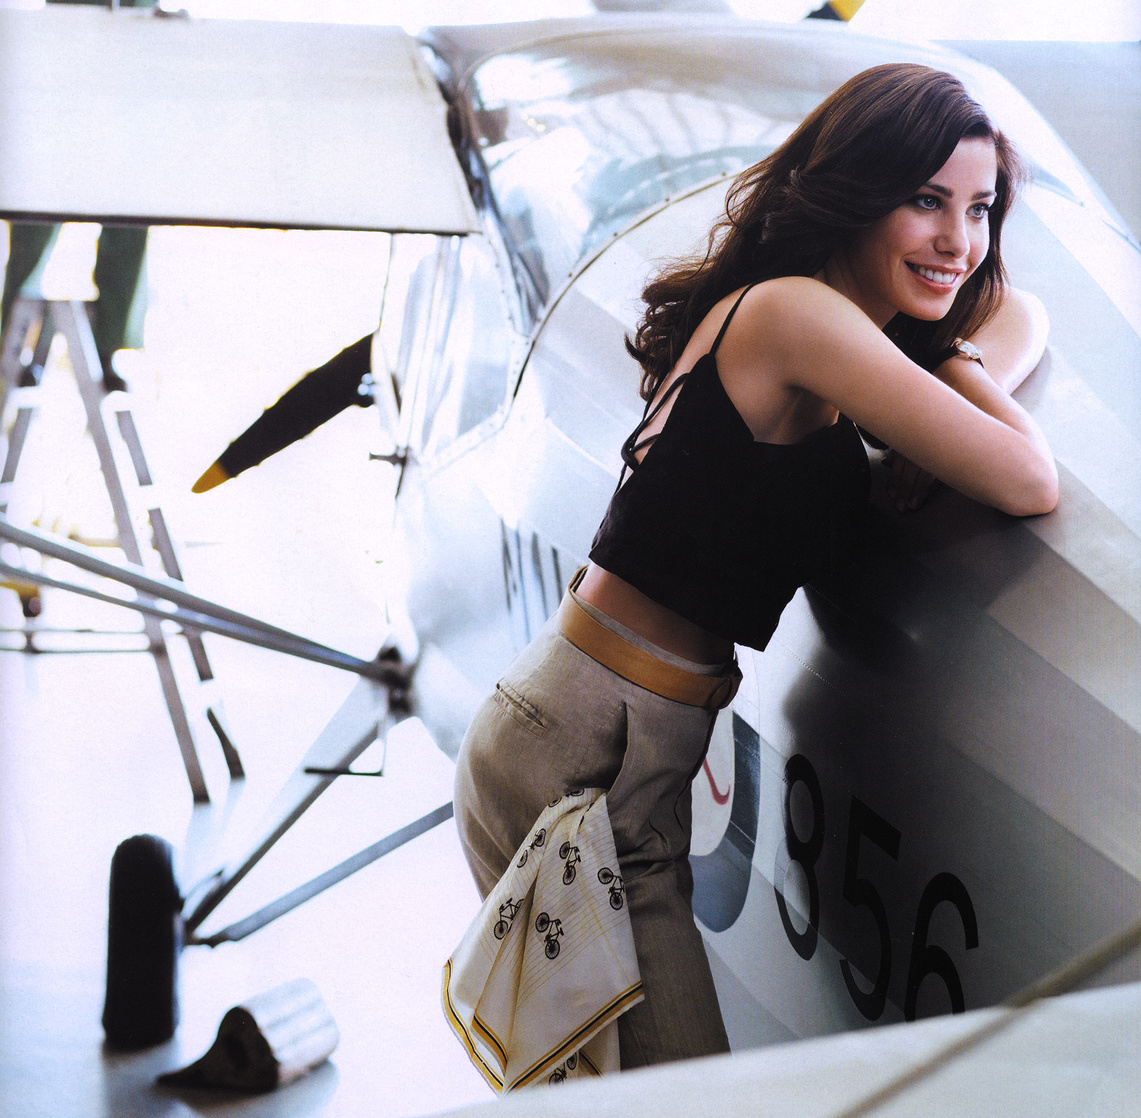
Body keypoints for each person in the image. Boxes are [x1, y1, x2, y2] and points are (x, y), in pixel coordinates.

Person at [452, 62, 1059, 1074]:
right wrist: (947, 365)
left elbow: (1022, 313)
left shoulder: (828, 324)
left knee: (644, 1089)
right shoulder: (796, 316)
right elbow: (1029, 477)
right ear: (856, 192)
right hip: (578, 751)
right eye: (925, 200)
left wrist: (940, 364)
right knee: (666, 1091)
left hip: (620, 746)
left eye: (980, 207)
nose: (959, 241)